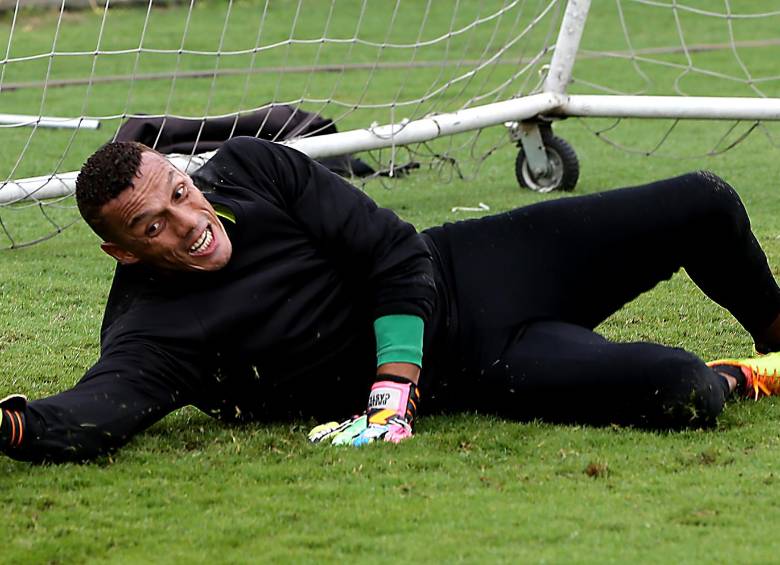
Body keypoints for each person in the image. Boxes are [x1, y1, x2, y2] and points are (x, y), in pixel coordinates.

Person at [2, 136, 780, 463]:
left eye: (180, 192)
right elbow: (84, 417)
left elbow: (395, 252)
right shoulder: (150, 333)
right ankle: (746, 374)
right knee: (682, 389)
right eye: (154, 225)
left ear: (185, 172)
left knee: (702, 200)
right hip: (478, 364)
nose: (188, 223)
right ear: (121, 249)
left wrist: (389, 392)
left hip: (473, 267)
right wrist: (11, 425)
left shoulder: (251, 166)